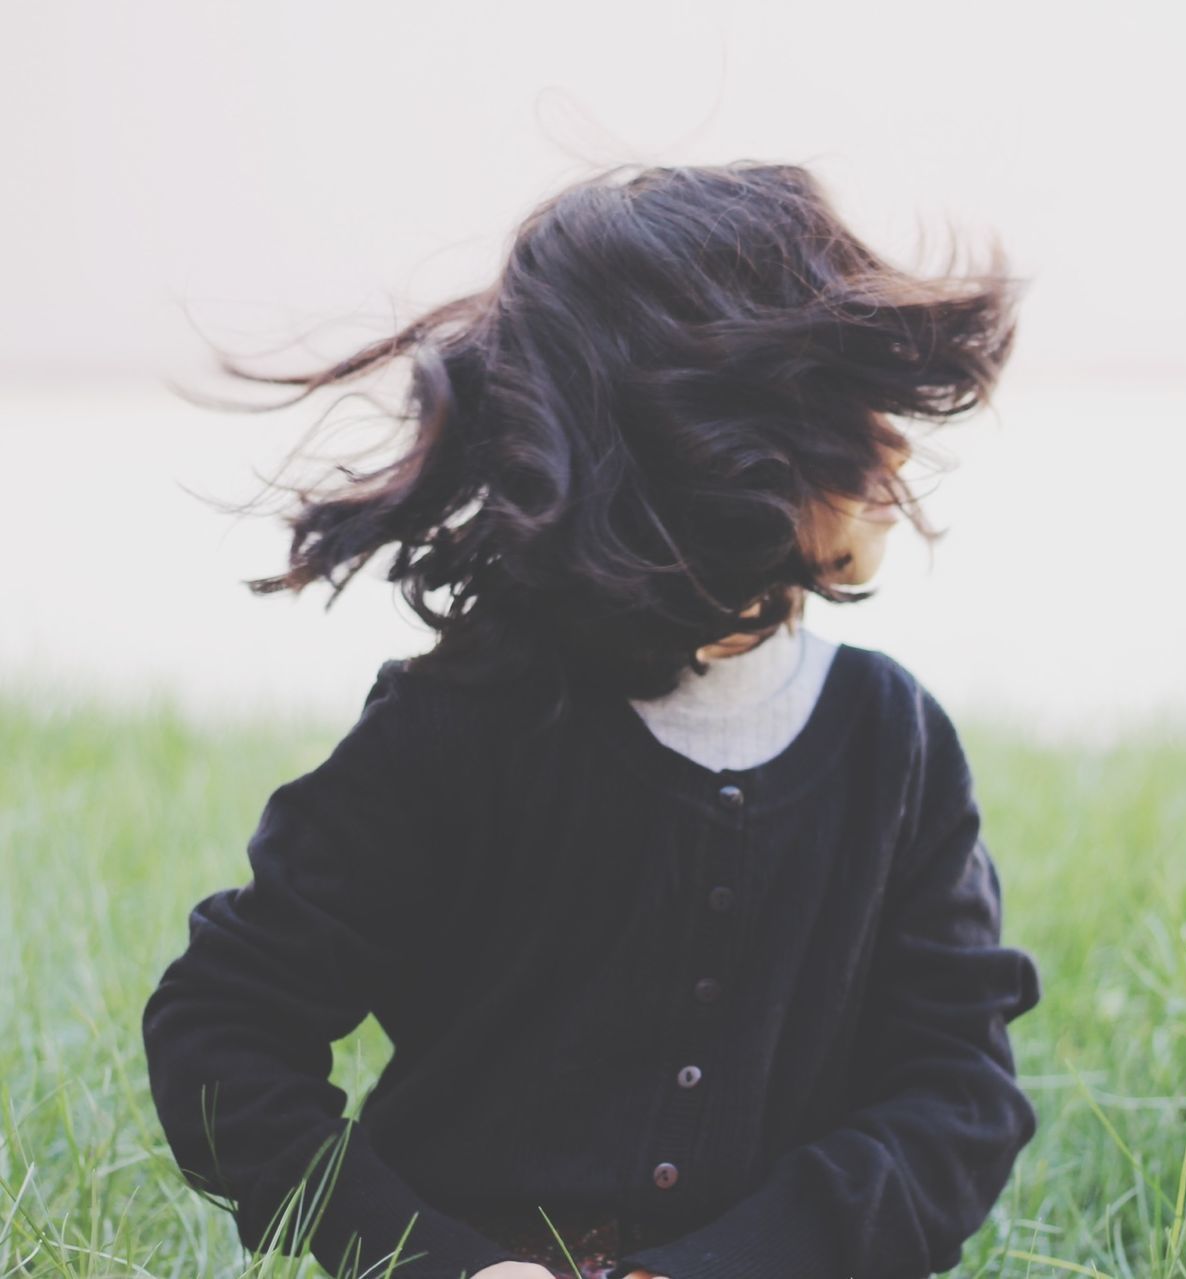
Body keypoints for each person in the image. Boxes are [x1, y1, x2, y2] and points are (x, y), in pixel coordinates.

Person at [142, 161, 1042, 1279]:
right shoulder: (462, 726)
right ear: (706, 444)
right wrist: (437, 1263)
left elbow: (956, 1096)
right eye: (840, 398)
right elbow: (224, 1031)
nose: (894, 448)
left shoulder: (890, 741)